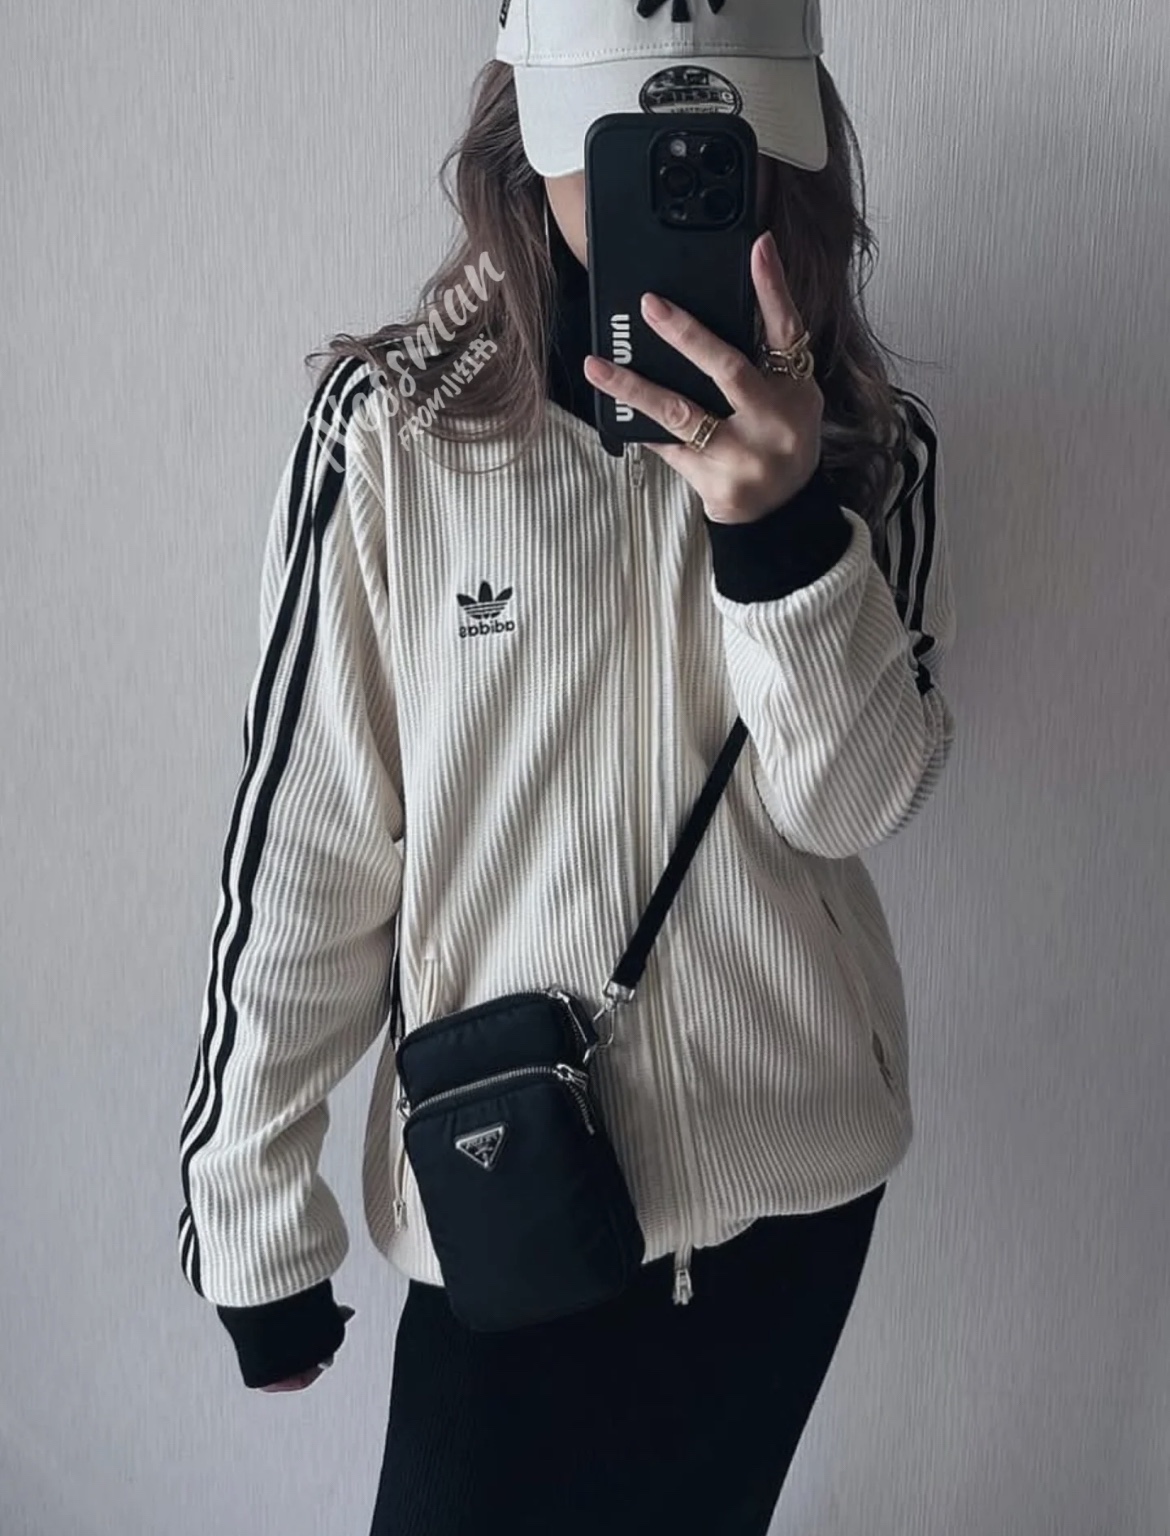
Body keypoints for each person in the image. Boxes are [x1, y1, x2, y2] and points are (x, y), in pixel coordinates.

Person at [176, 0, 957, 1530]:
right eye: (618, 132)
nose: (671, 168)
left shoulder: (867, 439)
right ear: (524, 134)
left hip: (792, 1180)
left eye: (711, 130)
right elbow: (308, 846)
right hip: (507, 1186)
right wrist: (253, 1213)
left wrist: (776, 531)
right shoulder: (393, 432)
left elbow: (848, 802)